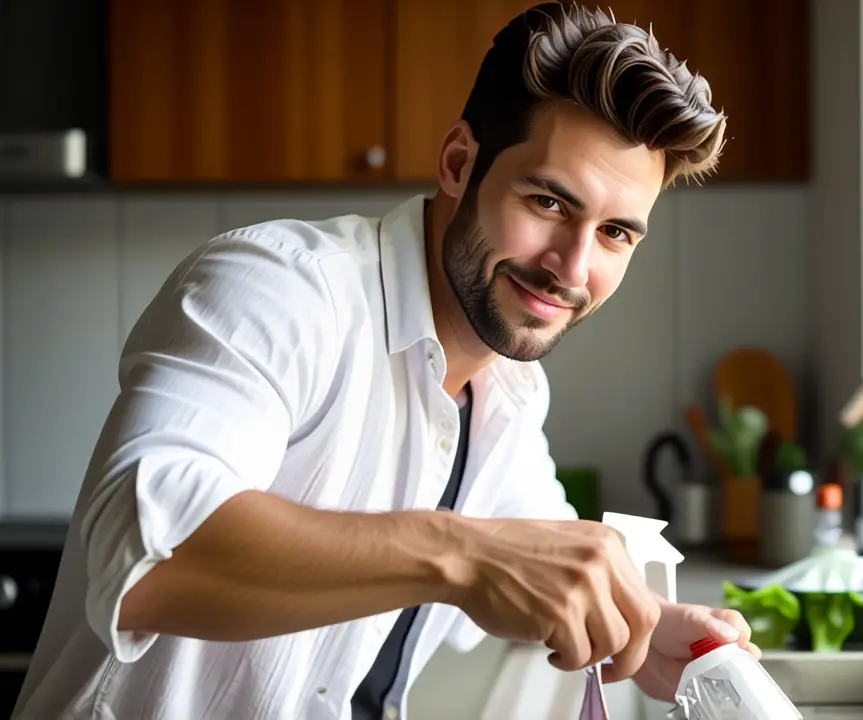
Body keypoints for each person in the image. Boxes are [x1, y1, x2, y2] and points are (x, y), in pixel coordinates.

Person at [13, 3, 760, 718]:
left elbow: (544, 564)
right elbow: (149, 558)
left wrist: (654, 628)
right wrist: (465, 557)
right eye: (549, 203)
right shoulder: (280, 288)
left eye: (616, 235)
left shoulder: (510, 393)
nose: (572, 266)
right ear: (459, 162)